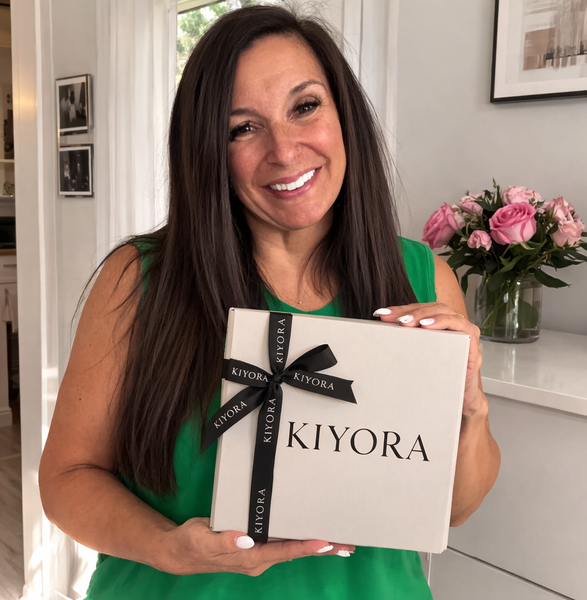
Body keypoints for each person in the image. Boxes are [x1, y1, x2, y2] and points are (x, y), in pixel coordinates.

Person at [39, 6, 500, 599]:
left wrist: (470, 410)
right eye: (242, 129)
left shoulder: (423, 277)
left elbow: (456, 510)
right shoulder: (139, 281)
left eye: (304, 106)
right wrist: (165, 546)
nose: (284, 150)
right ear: (209, 151)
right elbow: (66, 478)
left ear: (344, 115)